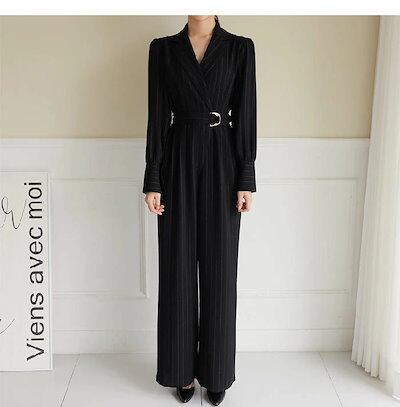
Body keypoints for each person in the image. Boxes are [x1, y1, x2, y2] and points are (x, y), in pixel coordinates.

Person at [143, 15, 257, 405]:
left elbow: (245, 113)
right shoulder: (163, 50)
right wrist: (153, 178)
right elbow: (157, 115)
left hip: (223, 161)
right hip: (177, 161)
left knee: (220, 269)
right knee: (176, 266)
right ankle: (181, 372)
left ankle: (216, 372)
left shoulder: (240, 48)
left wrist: (246, 177)